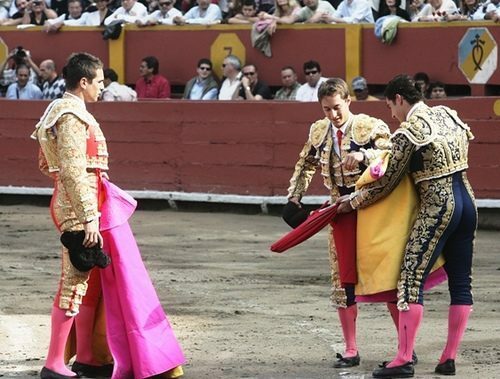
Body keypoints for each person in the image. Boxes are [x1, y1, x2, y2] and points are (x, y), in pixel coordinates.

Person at [32, 52, 185, 379]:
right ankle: (54, 363)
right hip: (80, 205)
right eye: (99, 82)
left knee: (88, 282)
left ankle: (87, 355)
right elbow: (72, 170)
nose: (103, 87)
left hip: (76, 199)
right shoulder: (72, 115)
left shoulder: (56, 111)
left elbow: (48, 165)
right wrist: (88, 216)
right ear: (83, 82)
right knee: (74, 281)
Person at [338, 74, 476, 378]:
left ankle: (403, 359)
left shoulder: (409, 132)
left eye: (391, 106)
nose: (392, 114)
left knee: (409, 280)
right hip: (468, 204)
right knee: (462, 283)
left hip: (438, 207)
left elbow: (387, 182)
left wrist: (353, 201)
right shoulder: (448, 115)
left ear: (400, 99)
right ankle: (448, 358)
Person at [287, 78, 399, 369]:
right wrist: (294, 198)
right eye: (326, 109)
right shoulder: (320, 130)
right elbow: (305, 163)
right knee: (343, 278)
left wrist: (363, 155)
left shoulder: (369, 126)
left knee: (388, 277)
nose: (333, 115)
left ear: (348, 100)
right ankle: (350, 349)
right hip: (340, 209)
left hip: (372, 207)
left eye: (336, 107)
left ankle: (405, 348)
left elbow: (391, 156)